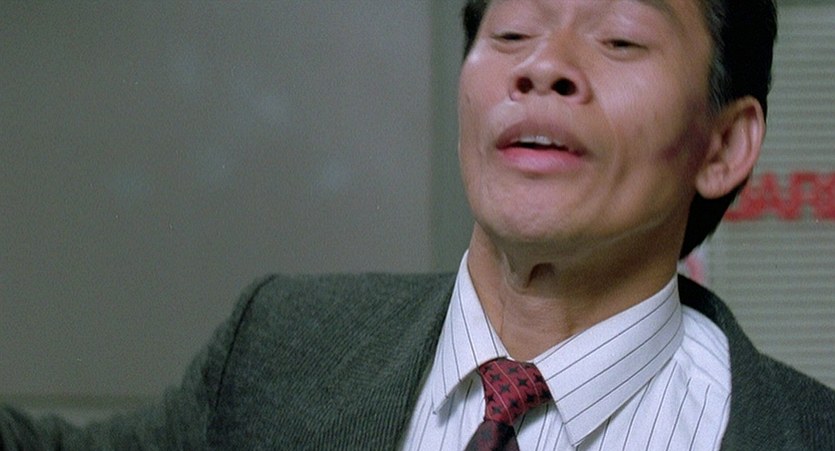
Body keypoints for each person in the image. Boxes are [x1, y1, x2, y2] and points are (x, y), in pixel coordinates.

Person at [2, 0, 834, 449]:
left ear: (722, 145)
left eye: (618, 39)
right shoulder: (281, 345)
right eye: (510, 31)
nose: (542, 64)